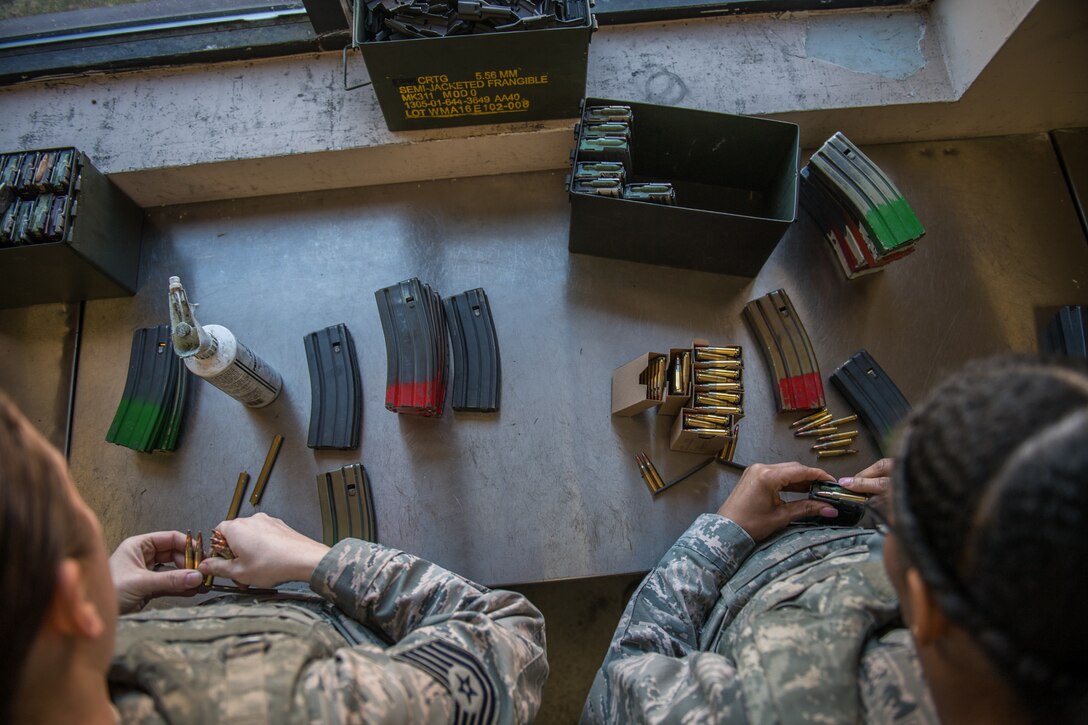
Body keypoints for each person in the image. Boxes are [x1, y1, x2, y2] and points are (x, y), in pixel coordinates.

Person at [583, 356, 1088, 724]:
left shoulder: (751, 706)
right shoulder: (1026, 655)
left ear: (924, 605)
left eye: (902, 529)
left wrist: (717, 539)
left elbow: (619, 688)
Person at [0, 392, 547, 724]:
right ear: (70, 603)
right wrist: (314, 559)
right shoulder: (310, 709)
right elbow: (510, 637)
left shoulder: (73, 675)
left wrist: (108, 609)